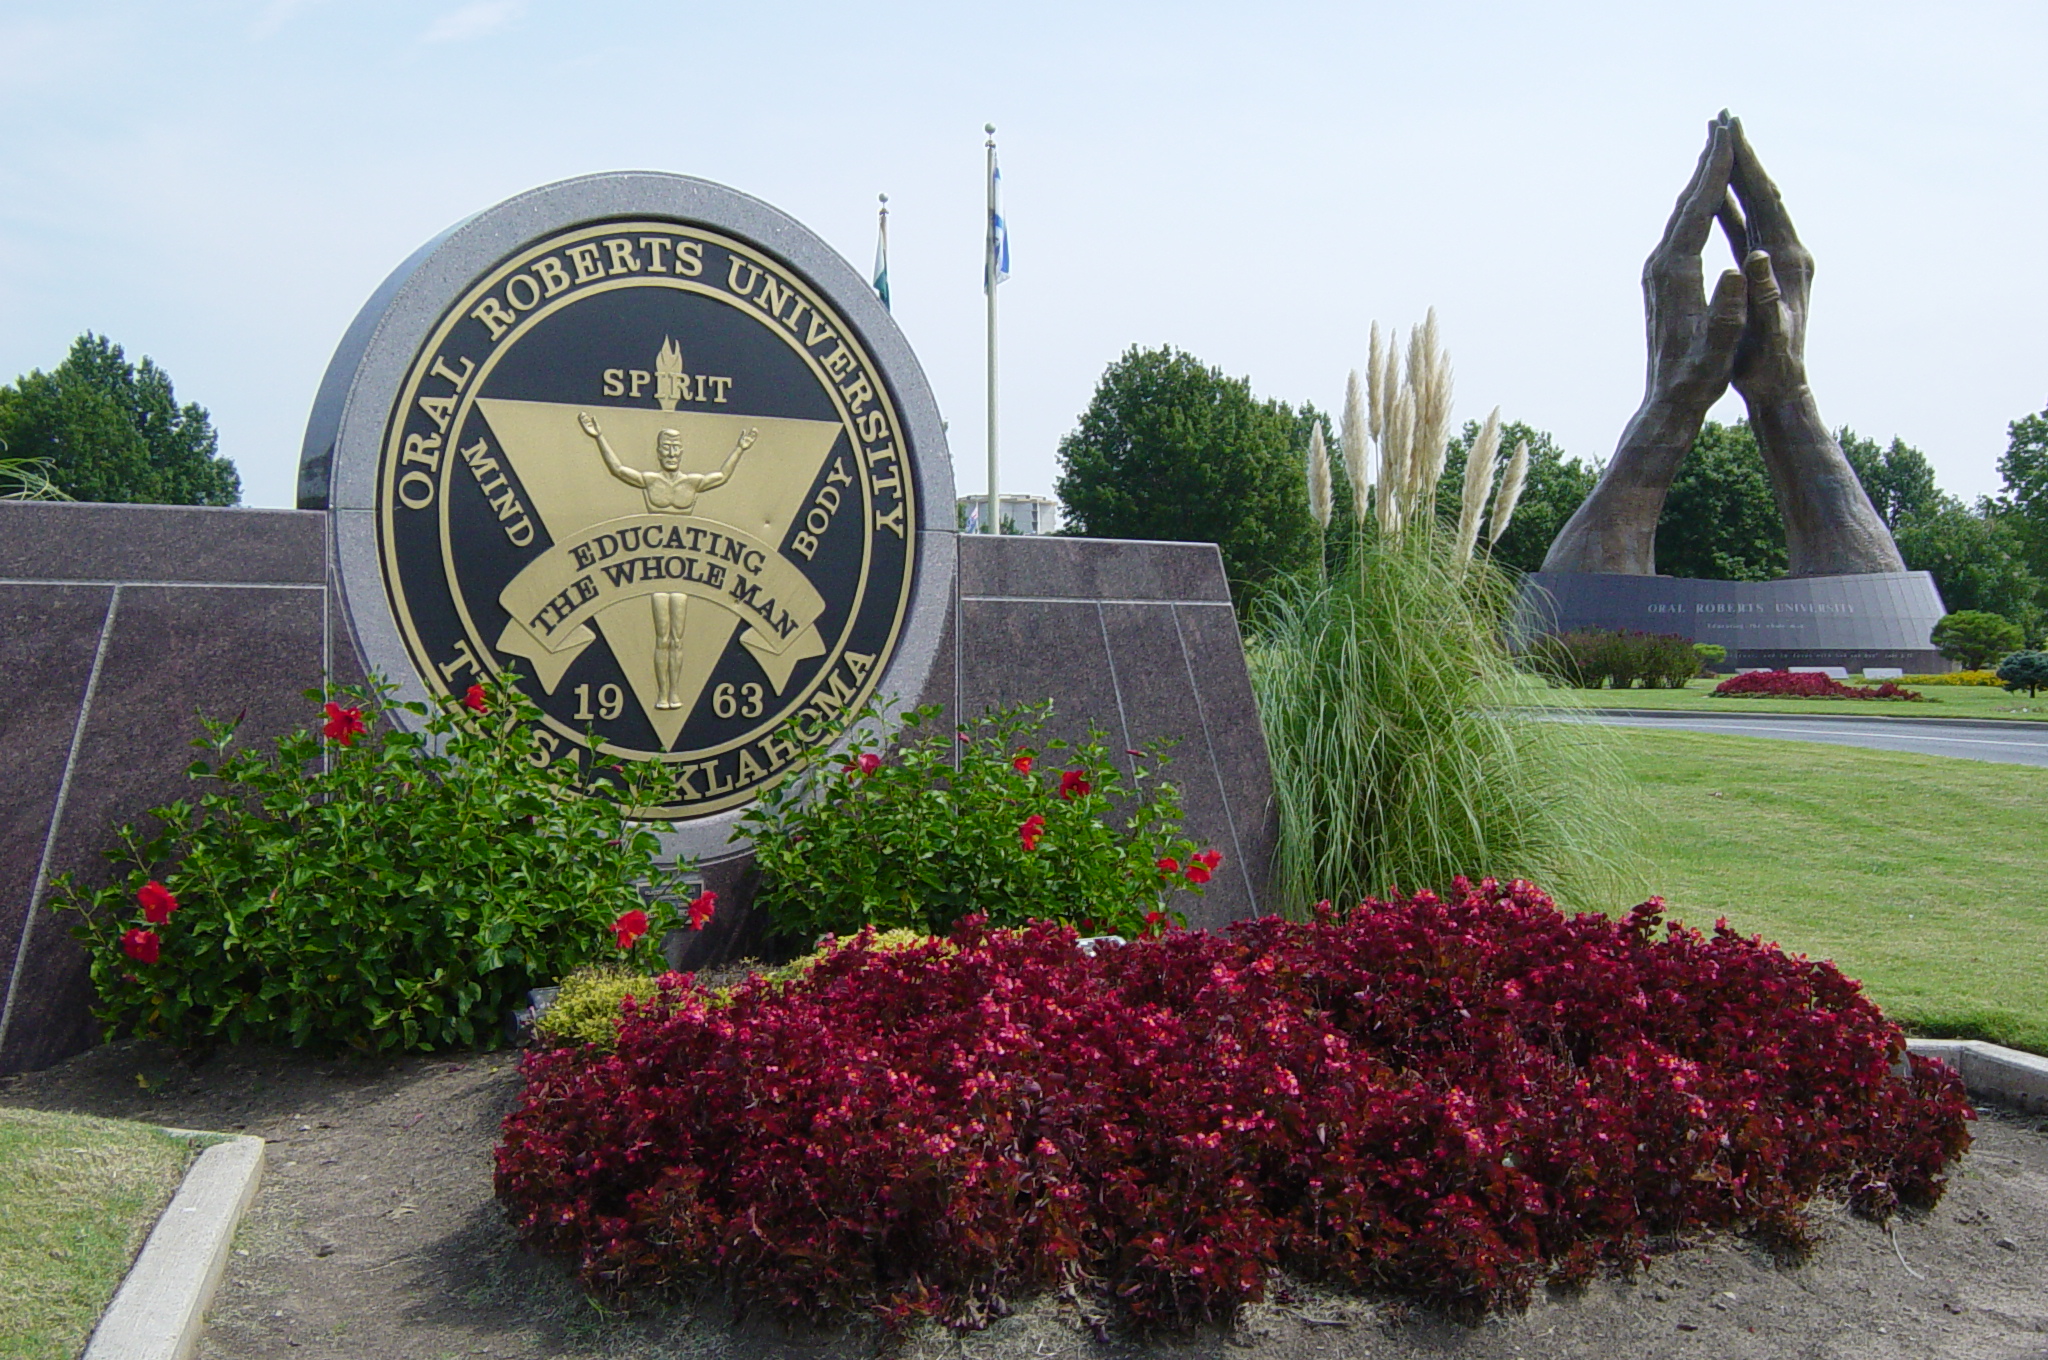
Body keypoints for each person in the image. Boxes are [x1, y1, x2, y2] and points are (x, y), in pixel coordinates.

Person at [576, 413, 758, 709]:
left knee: (677, 638)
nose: (671, 454)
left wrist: (740, 448)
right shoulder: (650, 482)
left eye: (676, 448)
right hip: (655, 569)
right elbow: (618, 470)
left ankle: (675, 694)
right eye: (666, 449)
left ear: (682, 451)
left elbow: (722, 477)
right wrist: (598, 437)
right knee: (662, 637)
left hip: (685, 571)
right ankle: (663, 695)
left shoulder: (692, 483)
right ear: (658, 452)